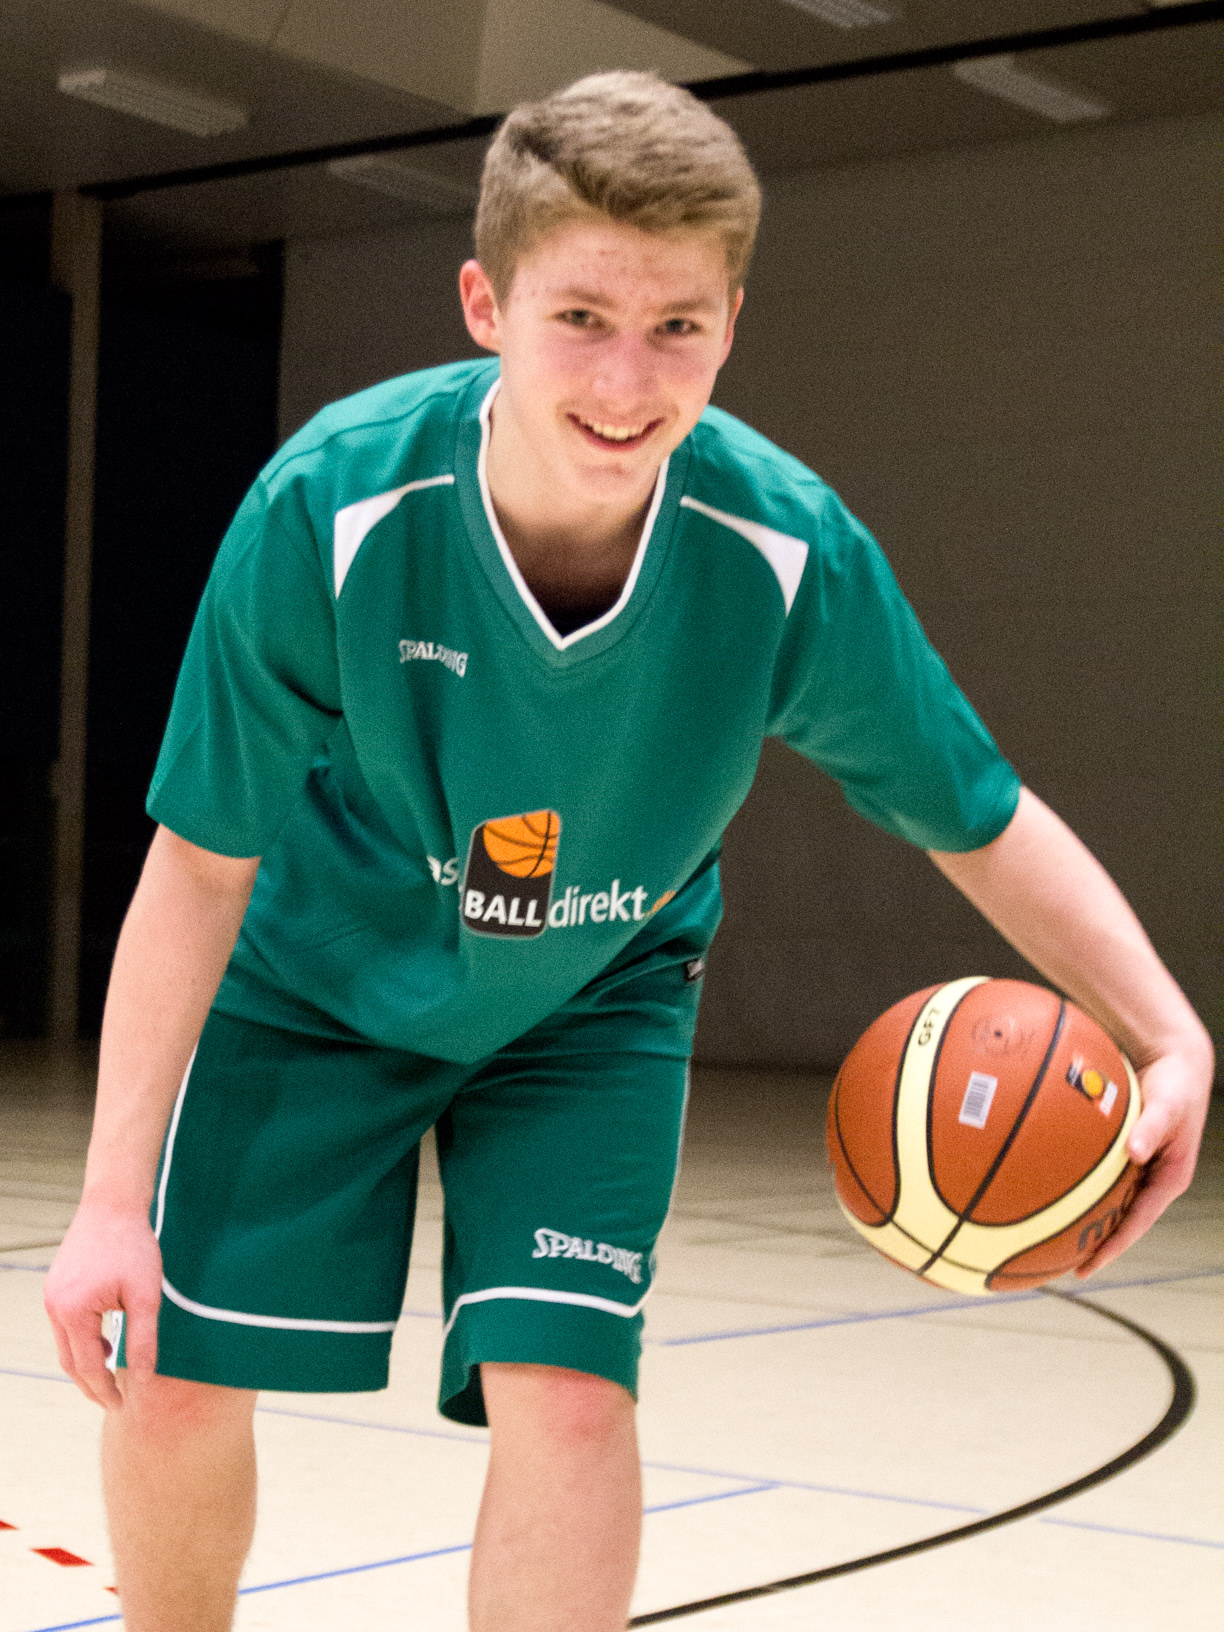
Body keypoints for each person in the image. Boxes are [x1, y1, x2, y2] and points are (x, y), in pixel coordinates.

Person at [45, 71, 1212, 1632]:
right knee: (183, 1384)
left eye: (676, 326)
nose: (626, 376)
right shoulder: (331, 504)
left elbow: (977, 815)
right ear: (486, 304)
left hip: (588, 1003)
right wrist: (108, 1200)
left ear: (732, 325)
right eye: (581, 317)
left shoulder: (784, 550)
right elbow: (199, 865)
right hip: (315, 981)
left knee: (574, 1399)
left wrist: (1169, 1032)